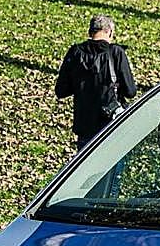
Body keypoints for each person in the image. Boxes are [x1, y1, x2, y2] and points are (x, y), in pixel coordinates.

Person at [54, 15, 138, 149]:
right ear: (110, 32)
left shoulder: (75, 52)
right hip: (111, 123)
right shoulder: (116, 53)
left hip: (84, 124)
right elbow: (131, 91)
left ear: (90, 32)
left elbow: (61, 90)